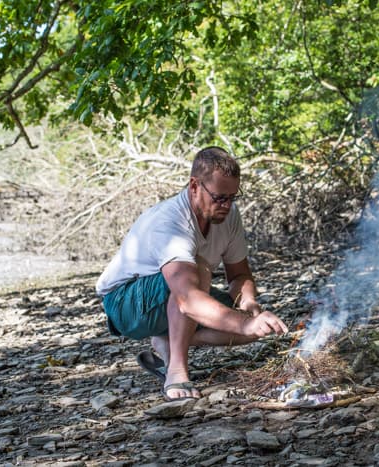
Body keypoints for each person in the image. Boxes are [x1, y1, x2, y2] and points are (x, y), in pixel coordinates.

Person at [96, 146, 288, 401]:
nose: (227, 206)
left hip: (176, 297)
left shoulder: (227, 215)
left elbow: (240, 275)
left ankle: (166, 342)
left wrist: (248, 304)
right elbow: (186, 297)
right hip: (125, 305)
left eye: (233, 197)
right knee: (199, 271)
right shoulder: (170, 221)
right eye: (219, 197)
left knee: (253, 330)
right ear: (194, 186)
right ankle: (176, 371)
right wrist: (242, 322)